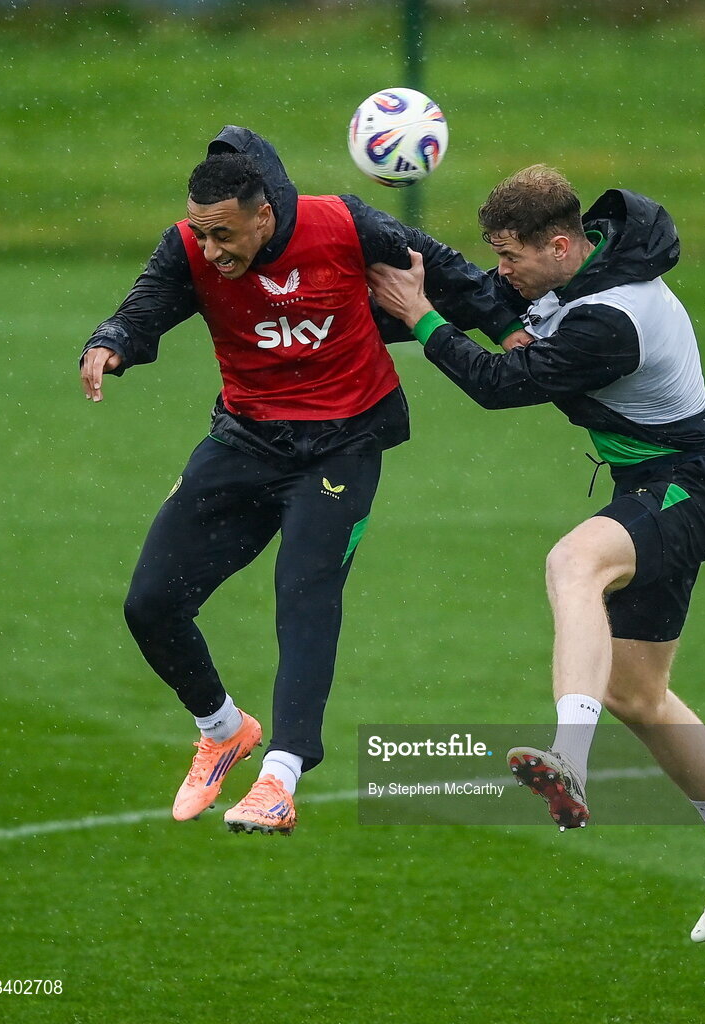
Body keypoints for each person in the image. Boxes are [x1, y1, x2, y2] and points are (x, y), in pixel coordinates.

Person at [366, 164, 705, 942]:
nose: (504, 270)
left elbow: (499, 383)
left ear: (560, 245)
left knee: (575, 563)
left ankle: (570, 758)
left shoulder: (614, 317)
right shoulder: (581, 267)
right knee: (638, 695)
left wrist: (423, 320)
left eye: (512, 255)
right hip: (651, 484)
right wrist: (366, 226)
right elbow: (481, 290)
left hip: (687, 486)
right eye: (499, 253)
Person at [80, 127, 525, 837]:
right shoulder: (190, 245)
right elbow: (147, 304)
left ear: (263, 216)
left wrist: (510, 333)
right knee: (151, 603)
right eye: (202, 236)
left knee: (303, 596)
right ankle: (223, 729)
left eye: (225, 235)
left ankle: (280, 778)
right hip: (245, 439)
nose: (212, 251)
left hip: (342, 446)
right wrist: (111, 342)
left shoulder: (343, 222)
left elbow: (446, 272)